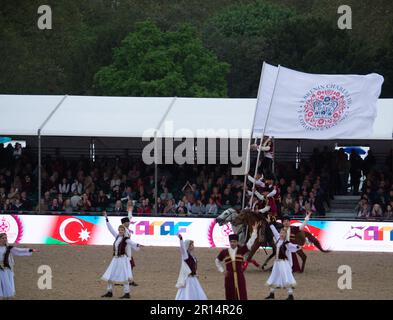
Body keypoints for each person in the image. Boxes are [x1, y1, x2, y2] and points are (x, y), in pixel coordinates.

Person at [215, 221, 259, 300]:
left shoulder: (241, 250)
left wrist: (254, 231)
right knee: (230, 293)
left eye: (234, 242)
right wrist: (222, 271)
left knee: (241, 293)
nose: (232, 243)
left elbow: (250, 243)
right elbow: (217, 261)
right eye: (231, 242)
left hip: (239, 275)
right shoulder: (224, 252)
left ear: (237, 242)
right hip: (229, 276)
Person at [101, 211, 141, 299]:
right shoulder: (117, 236)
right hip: (115, 259)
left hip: (122, 259)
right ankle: (109, 291)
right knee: (111, 274)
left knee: (125, 276)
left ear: (124, 231)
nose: (121, 231)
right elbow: (110, 228)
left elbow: (132, 243)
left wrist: (137, 245)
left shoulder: (125, 239)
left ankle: (127, 293)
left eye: (122, 230)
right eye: (120, 230)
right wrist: (106, 218)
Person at [265, 215, 301, 300]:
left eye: (283, 233)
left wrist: (297, 246)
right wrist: (270, 222)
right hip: (277, 262)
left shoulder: (286, 243)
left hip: (283, 263)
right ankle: (272, 293)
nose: (281, 234)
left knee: (285, 277)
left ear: (285, 235)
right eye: (281, 233)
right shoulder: (278, 238)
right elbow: (273, 230)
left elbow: (293, 246)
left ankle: (290, 295)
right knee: (274, 276)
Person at [0, 233, 38, 299]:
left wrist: (30, 250)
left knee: (7, 285)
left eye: (5, 238)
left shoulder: (8, 248)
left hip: (6, 269)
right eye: (3, 238)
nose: (5, 239)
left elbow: (19, 251)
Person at [175, 234, 207, 300]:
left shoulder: (192, 257)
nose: (193, 246)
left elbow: (195, 267)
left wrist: (196, 273)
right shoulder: (185, 255)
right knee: (187, 292)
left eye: (193, 245)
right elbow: (182, 249)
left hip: (193, 278)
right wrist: (181, 239)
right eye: (191, 245)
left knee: (196, 292)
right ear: (188, 246)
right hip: (188, 278)